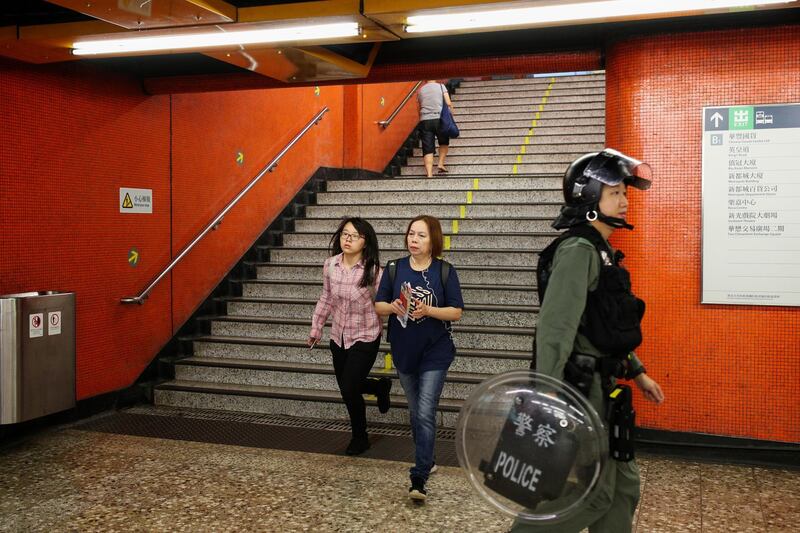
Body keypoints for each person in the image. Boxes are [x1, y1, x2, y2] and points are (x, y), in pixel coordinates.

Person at [511, 149, 665, 533]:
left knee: (623, 486)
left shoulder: (602, 250)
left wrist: (638, 372)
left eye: (625, 193)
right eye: (615, 193)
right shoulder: (579, 250)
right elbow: (556, 329)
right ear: (589, 199)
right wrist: (544, 396)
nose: (626, 201)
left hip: (604, 385)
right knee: (594, 493)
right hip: (580, 390)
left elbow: (604, 325)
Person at [374, 215, 464, 503]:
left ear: (433, 240)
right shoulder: (394, 268)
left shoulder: (445, 271)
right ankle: (430, 457)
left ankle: (420, 474)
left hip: (435, 351)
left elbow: (456, 311)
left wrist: (428, 311)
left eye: (421, 235)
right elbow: (378, 306)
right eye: (411, 234)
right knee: (416, 412)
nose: (414, 239)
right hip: (403, 349)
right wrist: (394, 306)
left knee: (425, 410)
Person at [309, 217, 391, 456]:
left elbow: (383, 303)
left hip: (366, 335)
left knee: (347, 387)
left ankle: (360, 437)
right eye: (345, 234)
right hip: (339, 336)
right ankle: (378, 386)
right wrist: (316, 328)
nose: (347, 239)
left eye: (354, 236)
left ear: (365, 242)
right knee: (349, 386)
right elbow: (326, 298)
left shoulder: (375, 270)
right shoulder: (330, 265)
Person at [417, 80, 454, 177]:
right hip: (439, 119)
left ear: (425, 80)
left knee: (427, 148)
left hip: (425, 120)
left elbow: (419, 107)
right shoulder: (441, 86)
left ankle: (429, 174)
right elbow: (448, 103)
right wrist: (451, 113)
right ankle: (440, 163)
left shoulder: (421, 90)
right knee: (444, 142)